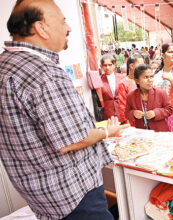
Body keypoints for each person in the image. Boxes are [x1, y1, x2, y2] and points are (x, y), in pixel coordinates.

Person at [0, 1, 129, 219]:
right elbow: (72, 140)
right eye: (62, 21)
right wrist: (108, 132)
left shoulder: (6, 64)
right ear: (41, 28)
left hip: (42, 196)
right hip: (73, 195)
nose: (68, 28)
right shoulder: (43, 72)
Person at [125, 64, 172, 131]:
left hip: (159, 132)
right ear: (137, 81)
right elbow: (127, 113)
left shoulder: (160, 93)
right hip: (141, 133)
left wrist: (155, 113)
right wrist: (133, 113)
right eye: (146, 77)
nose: (150, 80)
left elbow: (169, 109)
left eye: (151, 77)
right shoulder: (131, 96)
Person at [117, 53, 145, 123]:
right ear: (132, 66)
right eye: (140, 65)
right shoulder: (123, 83)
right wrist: (127, 124)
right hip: (132, 121)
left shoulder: (144, 80)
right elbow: (122, 106)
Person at [100, 54, 125, 120]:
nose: (107, 67)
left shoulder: (122, 78)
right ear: (101, 66)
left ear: (114, 65)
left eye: (110, 65)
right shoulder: (99, 80)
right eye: (105, 65)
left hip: (122, 111)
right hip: (108, 113)